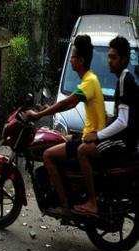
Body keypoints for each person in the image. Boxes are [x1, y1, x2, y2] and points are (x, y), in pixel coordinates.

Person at [25, 34, 106, 216]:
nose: (70, 60)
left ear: (81, 60)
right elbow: (70, 104)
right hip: (89, 135)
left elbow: (65, 103)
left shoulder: (89, 82)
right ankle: (69, 189)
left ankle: (65, 205)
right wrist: (48, 108)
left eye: (73, 56)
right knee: (59, 139)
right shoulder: (89, 80)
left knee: (47, 155)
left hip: (92, 139)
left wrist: (38, 114)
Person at [73, 36, 138, 217]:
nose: (109, 61)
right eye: (109, 57)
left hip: (124, 142)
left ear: (124, 60)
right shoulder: (123, 79)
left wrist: (99, 135)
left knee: (82, 151)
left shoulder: (124, 80)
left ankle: (92, 203)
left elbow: (123, 121)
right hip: (123, 139)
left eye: (114, 57)